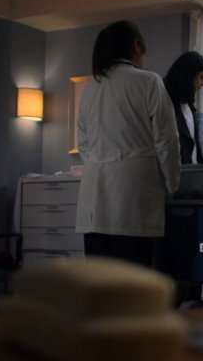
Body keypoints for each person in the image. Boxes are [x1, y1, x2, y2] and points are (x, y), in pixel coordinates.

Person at [75, 20, 181, 268]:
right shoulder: (148, 82)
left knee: (100, 281)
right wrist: (172, 185)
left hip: (94, 198)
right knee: (133, 278)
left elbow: (84, 145)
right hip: (134, 194)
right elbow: (167, 140)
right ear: (137, 45)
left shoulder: (90, 89)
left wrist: (103, 162)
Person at [163, 51, 203, 164]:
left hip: (191, 170)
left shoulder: (188, 106)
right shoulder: (165, 103)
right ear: (188, 76)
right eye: (201, 77)